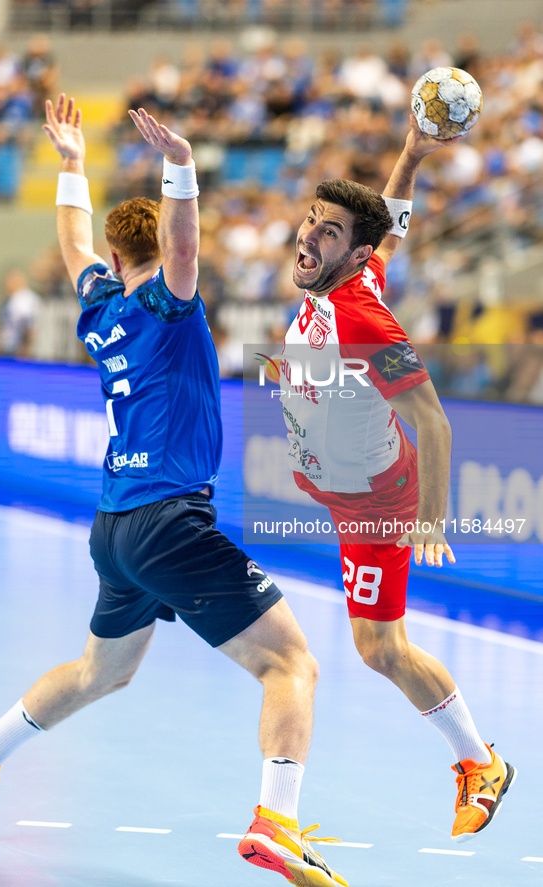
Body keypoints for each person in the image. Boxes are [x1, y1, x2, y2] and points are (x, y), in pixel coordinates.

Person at [0, 94, 348, 887]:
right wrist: (181, 166)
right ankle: (274, 822)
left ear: (112, 251)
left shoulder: (98, 307)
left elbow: (70, 242)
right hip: (169, 517)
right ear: (158, 253)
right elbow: (186, 241)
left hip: (115, 525)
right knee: (292, 664)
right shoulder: (168, 307)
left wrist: (71, 163)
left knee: (103, 670)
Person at [277, 115, 516, 844]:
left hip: (378, 501)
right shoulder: (352, 271)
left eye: (326, 233)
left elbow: (434, 421)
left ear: (351, 255)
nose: (308, 237)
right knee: (372, 645)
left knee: (380, 648)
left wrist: (430, 519)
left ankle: (480, 763)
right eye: (309, 222)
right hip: (345, 489)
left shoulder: (364, 321)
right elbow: (393, 224)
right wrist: (411, 153)